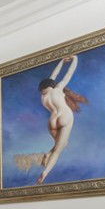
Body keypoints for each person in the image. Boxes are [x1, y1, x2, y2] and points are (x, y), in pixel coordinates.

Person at [36, 54, 88, 184]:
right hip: (64, 116)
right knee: (58, 151)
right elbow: (69, 73)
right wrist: (75, 59)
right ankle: (45, 173)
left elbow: (51, 77)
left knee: (63, 144)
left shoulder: (43, 97)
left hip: (52, 120)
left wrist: (60, 62)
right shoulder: (58, 89)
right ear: (52, 85)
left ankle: (48, 154)